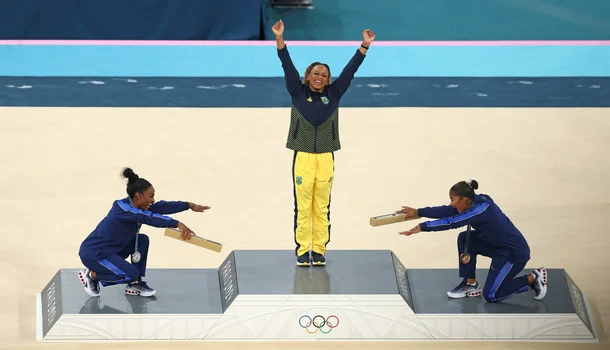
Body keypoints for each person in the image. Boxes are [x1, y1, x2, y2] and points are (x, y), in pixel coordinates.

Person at [271, 19, 375, 266]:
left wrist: (364, 46)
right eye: (315, 73)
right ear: (307, 77)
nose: (319, 77)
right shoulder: (297, 91)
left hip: (326, 156)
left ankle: (318, 250)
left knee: (322, 206)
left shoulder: (335, 93)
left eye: (324, 75)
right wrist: (279, 39)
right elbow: (287, 65)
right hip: (303, 158)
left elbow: (350, 71)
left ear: (328, 81)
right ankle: (301, 250)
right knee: (303, 205)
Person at [395, 179, 548, 303]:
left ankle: (533, 278)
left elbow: (451, 222)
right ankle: (470, 284)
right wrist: (418, 212)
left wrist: (422, 227)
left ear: (464, 199)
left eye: (453, 199)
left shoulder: (481, 209)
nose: (451, 203)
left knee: (492, 295)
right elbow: (448, 211)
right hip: (495, 246)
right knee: (465, 238)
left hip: (513, 254)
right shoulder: (470, 203)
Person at [77, 167, 210, 298]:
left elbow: (162, 206)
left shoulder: (140, 205)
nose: (153, 200)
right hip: (95, 253)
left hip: (113, 250)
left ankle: (134, 284)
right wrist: (178, 224)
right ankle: (93, 275)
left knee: (142, 240)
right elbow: (148, 217)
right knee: (130, 274)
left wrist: (189, 205)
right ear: (139, 196)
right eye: (151, 196)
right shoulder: (121, 208)